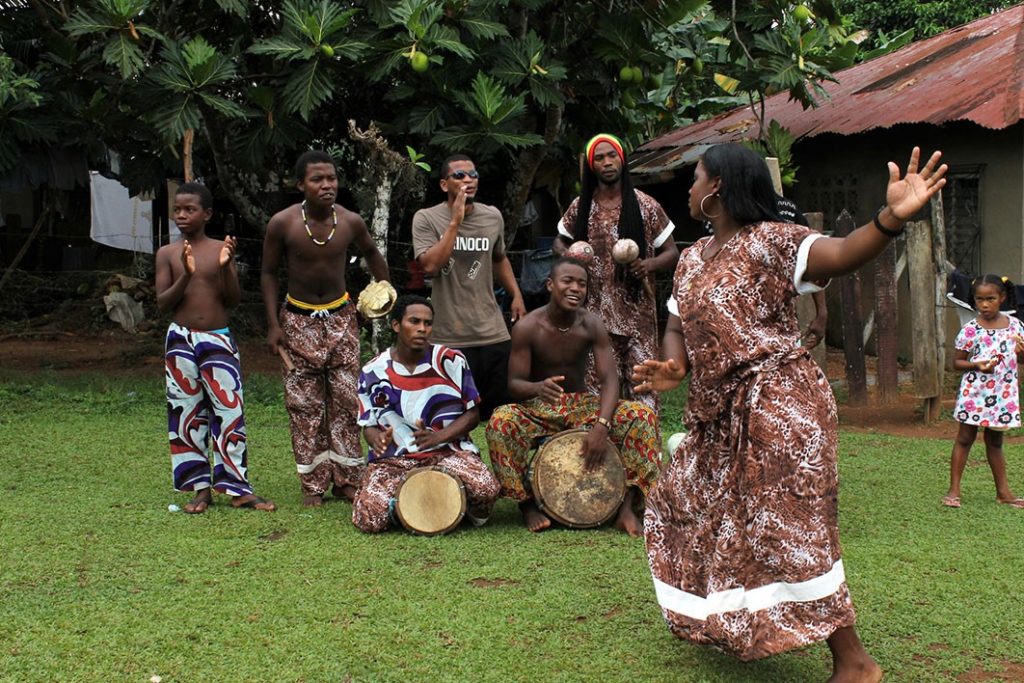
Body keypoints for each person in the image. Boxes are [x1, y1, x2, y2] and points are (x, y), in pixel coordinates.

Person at [633, 143, 946, 680]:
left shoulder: (774, 241)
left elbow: (845, 254)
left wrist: (890, 216)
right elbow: (676, 323)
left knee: (790, 529)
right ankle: (725, 617)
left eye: (695, 178)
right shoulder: (690, 258)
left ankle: (855, 661)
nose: (687, 188)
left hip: (781, 405)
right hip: (719, 414)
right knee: (681, 503)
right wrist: (674, 365)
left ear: (718, 191)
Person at [486, 257, 661, 535]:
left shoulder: (591, 324)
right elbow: (515, 384)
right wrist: (537, 387)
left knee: (642, 416)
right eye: (568, 281)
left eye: (582, 284)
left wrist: (602, 425)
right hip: (541, 407)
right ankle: (527, 504)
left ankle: (628, 507)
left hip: (581, 404)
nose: (576, 288)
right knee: (501, 422)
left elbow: (609, 379)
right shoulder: (527, 327)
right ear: (550, 285)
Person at [261, 150, 391, 507]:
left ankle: (347, 479)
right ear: (301, 184)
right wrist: (274, 325)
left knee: (348, 402)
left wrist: (382, 294)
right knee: (304, 407)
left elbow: (373, 255)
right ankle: (313, 483)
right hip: (297, 321)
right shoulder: (283, 223)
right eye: (317, 179)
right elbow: (269, 273)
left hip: (342, 319)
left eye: (331, 178)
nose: (326, 185)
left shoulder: (349, 221)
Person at [155, 182, 275, 514]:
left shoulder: (221, 248)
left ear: (207, 214)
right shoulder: (167, 253)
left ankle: (238, 488)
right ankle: (199, 488)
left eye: (190, 209)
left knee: (228, 412)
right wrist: (186, 275)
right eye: (178, 209)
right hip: (180, 340)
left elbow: (233, 300)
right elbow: (163, 302)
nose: (182, 215)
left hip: (218, 339)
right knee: (186, 414)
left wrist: (225, 267)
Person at [353, 295, 500, 533]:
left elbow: (472, 415)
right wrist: (377, 440)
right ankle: (409, 504)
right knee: (370, 518)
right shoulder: (372, 371)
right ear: (396, 325)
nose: (422, 328)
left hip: (448, 452)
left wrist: (437, 438)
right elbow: (368, 425)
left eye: (428, 323)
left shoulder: (451, 361)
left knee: (486, 489)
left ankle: (452, 502)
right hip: (395, 458)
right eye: (414, 321)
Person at [557, 134, 679, 413]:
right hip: (594, 317)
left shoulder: (646, 205)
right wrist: (572, 256)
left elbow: (672, 252)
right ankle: (604, 452)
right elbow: (559, 240)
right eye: (599, 158)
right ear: (591, 165)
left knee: (644, 391)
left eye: (612, 155)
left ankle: (643, 453)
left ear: (622, 159)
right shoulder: (581, 206)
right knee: (598, 393)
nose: (607, 162)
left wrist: (648, 265)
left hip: (639, 320)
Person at [412, 154, 526, 422]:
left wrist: (516, 294)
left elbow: (499, 258)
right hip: (449, 336)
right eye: (460, 175)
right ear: (444, 184)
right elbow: (429, 266)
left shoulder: (492, 216)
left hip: (492, 333)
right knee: (449, 417)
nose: (468, 180)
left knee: (502, 417)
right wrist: (455, 222)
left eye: (473, 175)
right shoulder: (426, 218)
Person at [943, 274, 1024, 509]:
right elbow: (955, 363)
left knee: (995, 442)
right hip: (975, 395)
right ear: (974, 301)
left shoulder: (1016, 327)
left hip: (1002, 395)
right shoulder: (971, 329)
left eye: (990, 299)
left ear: (1002, 298)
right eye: (980, 300)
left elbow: (1020, 360)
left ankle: (1004, 493)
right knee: (965, 438)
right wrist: (977, 364)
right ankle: (953, 491)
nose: (985, 304)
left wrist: (1021, 352)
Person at [776, 194, 828, 349]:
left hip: (781, 330)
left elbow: (809, 256)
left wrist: (822, 312)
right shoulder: (719, 215)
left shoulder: (786, 209)